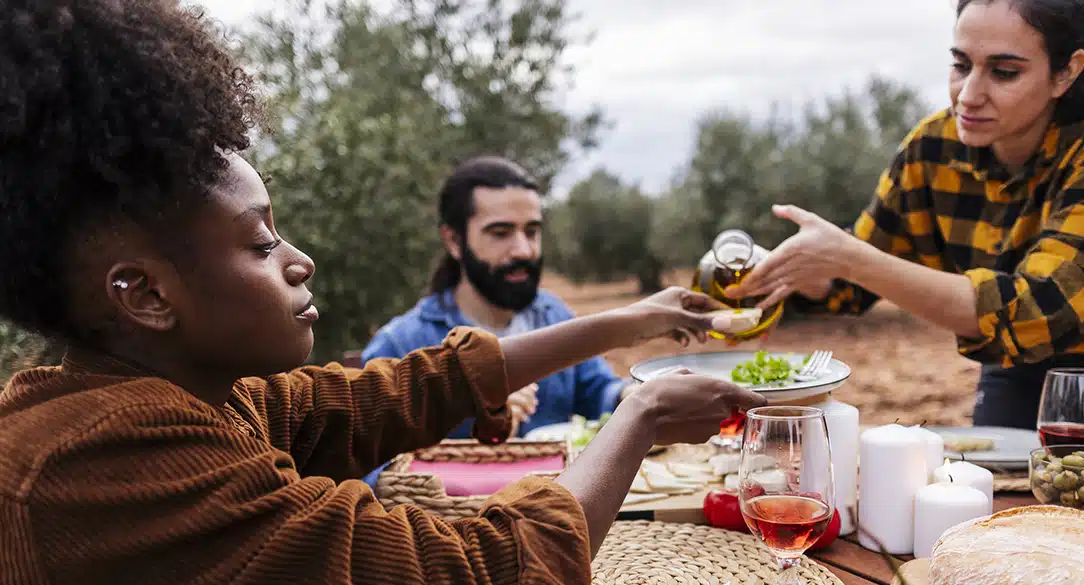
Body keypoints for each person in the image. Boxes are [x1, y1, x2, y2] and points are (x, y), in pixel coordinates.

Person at [0, 2, 765, 584]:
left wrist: (627, 322)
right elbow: (484, 567)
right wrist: (643, 413)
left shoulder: (176, 397)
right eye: (261, 242)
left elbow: (383, 395)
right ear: (144, 294)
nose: (298, 261)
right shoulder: (113, 467)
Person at [730, 0, 1084, 472]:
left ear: (1066, 71)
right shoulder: (934, 147)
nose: (968, 95)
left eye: (1004, 72)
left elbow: (1042, 308)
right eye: (960, 65)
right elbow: (858, 275)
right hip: (1020, 372)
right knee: (1002, 514)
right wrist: (793, 268)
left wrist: (848, 259)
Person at [361, 157, 627, 441]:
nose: (523, 250)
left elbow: (600, 391)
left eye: (532, 232)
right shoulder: (401, 345)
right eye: (500, 233)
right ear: (453, 241)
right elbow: (366, 456)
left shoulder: (553, 316)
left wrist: (630, 395)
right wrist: (475, 417)